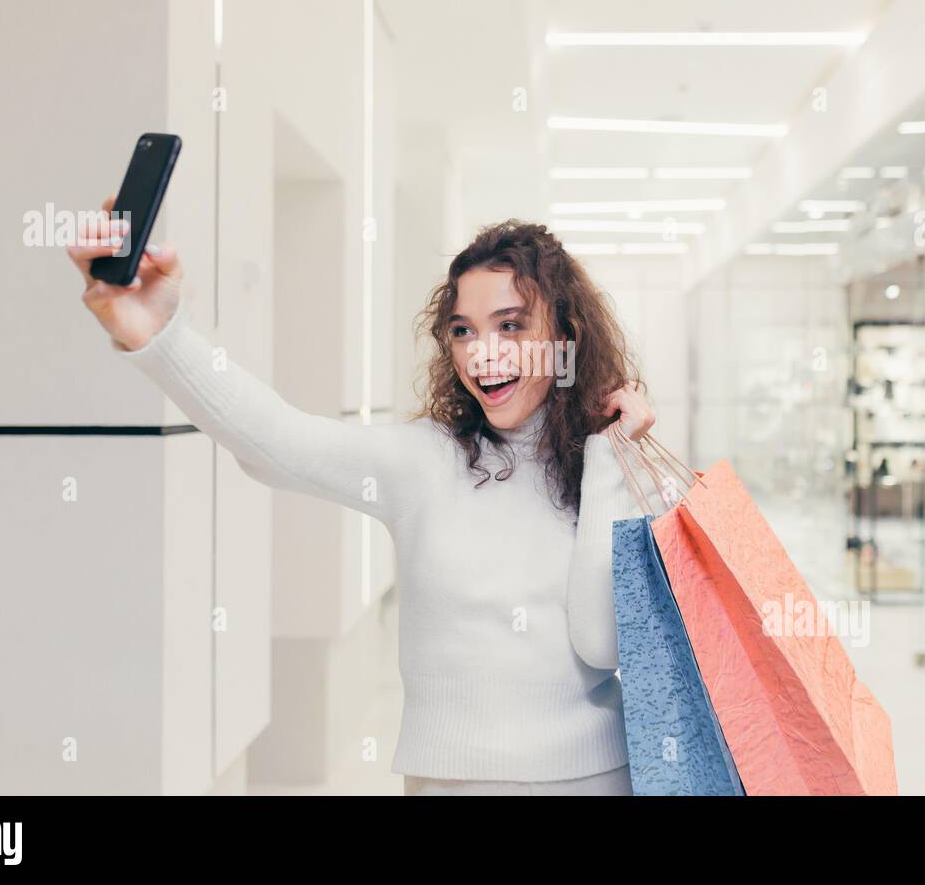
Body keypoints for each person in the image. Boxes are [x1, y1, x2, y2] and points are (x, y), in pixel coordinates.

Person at [68, 200, 656, 795]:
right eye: (463, 331)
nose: (484, 352)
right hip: (454, 782)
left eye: (511, 325)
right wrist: (161, 333)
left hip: (598, 780)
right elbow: (275, 440)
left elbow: (603, 641)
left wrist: (610, 462)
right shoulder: (423, 460)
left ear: (564, 335)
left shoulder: (612, 465)